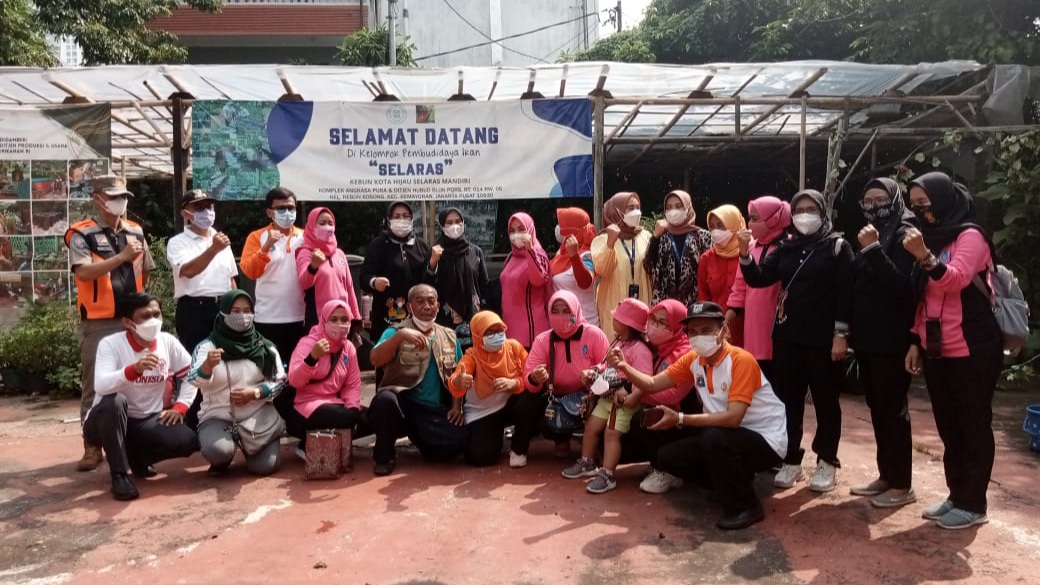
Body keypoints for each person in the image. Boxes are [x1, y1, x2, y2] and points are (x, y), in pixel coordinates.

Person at [608, 301, 788, 530]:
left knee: (714, 436)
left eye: (706, 330)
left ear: (724, 330)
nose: (698, 337)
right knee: (667, 456)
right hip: (725, 433)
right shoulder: (694, 359)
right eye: (692, 332)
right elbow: (652, 384)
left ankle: (746, 506)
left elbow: (733, 418)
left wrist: (680, 419)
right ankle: (725, 483)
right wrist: (624, 366)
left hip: (766, 440)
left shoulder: (740, 360)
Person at [902, 172, 1002, 530]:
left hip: (974, 347)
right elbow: (923, 297)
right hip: (936, 348)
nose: (919, 210)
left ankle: (973, 504)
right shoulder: (930, 237)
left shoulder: (970, 236)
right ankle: (957, 495)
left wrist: (925, 256)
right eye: (914, 204)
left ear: (943, 199)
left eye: (924, 202)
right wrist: (916, 341)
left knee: (973, 424)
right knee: (948, 425)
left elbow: (956, 279)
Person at [738, 189, 852, 493]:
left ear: (822, 212)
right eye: (799, 209)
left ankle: (827, 460)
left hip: (823, 340)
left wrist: (841, 335)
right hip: (788, 337)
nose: (804, 215)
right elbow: (759, 278)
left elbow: (846, 293)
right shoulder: (786, 247)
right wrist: (745, 254)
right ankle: (791, 458)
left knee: (826, 401)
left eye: (810, 209)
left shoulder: (837, 247)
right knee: (788, 401)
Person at [66, 175, 154, 471]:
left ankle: (132, 443)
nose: (121, 201)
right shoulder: (82, 234)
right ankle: (92, 446)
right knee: (96, 384)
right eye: (115, 196)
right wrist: (121, 257)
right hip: (99, 322)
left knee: (137, 380)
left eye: (124, 196)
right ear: (98, 199)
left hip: (133, 320)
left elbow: (147, 269)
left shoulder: (135, 231)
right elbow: (84, 273)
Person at [83, 293, 199, 501]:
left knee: (187, 441)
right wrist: (133, 370)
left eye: (156, 314)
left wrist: (180, 406)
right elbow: (101, 384)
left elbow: (192, 375)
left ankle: (137, 459)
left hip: (147, 420)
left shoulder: (167, 342)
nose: (153, 321)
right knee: (115, 402)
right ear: (128, 322)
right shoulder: (110, 344)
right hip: (105, 421)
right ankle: (119, 475)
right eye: (145, 316)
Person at [847, 178, 919, 508]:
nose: (874, 206)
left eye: (880, 199)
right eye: (868, 201)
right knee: (877, 409)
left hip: (893, 339)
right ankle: (886, 475)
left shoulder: (906, 233)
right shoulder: (871, 233)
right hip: (867, 338)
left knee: (893, 411)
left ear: (895, 200)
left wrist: (874, 250)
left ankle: (902, 484)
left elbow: (903, 289)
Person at [368, 284, 468, 475]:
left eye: (431, 302)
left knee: (460, 441)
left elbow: (458, 373)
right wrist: (400, 337)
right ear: (409, 306)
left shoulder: (449, 336)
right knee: (384, 401)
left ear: (438, 306)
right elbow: (375, 359)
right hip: (402, 406)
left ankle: (424, 443)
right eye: (420, 301)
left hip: (431, 412)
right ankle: (384, 456)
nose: (426, 306)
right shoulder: (395, 331)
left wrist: (457, 406)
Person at [188, 290, 286, 476]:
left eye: (247, 311)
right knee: (219, 451)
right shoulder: (207, 346)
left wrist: (256, 393)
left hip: (257, 416)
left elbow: (280, 381)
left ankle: (254, 446)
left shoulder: (265, 347)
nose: (242, 316)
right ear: (223, 313)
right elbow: (192, 379)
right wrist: (207, 366)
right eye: (235, 311)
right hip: (218, 416)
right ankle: (222, 458)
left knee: (265, 467)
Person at [562, 298, 653, 494]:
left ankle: (608, 474)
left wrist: (634, 397)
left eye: (617, 318)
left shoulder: (640, 350)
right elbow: (606, 365)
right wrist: (594, 371)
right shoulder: (618, 341)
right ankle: (587, 462)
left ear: (629, 324)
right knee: (591, 426)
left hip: (623, 401)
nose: (613, 320)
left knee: (611, 434)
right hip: (606, 397)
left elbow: (646, 379)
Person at [167, 189, 239, 430]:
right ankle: (194, 424)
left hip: (223, 308)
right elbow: (187, 271)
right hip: (194, 309)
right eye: (199, 208)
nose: (207, 212)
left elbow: (231, 278)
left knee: (227, 363)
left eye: (209, 207)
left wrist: (238, 308)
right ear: (185, 213)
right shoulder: (178, 242)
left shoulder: (220, 238)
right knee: (197, 364)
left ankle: (225, 419)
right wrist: (213, 250)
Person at [516, 290, 611, 467]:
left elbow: (609, 366)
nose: (561, 316)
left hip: (589, 397)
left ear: (576, 310)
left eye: (566, 311)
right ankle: (523, 448)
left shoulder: (594, 334)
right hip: (555, 399)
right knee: (526, 401)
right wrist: (536, 377)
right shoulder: (543, 340)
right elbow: (529, 377)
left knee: (607, 402)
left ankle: (597, 446)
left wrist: (594, 373)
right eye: (556, 311)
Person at [626, 299, 698, 494]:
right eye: (653, 319)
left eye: (663, 323)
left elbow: (672, 395)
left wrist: (636, 393)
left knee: (643, 419)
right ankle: (658, 463)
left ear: (678, 328)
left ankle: (668, 471)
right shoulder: (655, 347)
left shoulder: (685, 352)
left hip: (687, 420)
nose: (655, 326)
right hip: (666, 412)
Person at [288, 299, 370, 454]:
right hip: (307, 404)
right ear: (324, 320)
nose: (340, 324)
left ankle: (328, 441)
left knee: (371, 417)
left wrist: (353, 408)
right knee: (346, 418)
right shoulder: (309, 343)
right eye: (334, 319)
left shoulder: (348, 347)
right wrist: (312, 358)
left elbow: (353, 384)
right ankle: (307, 444)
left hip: (336, 402)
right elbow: (294, 380)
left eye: (344, 320)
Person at [447, 311, 528, 467]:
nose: (496, 335)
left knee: (530, 401)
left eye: (499, 330)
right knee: (480, 457)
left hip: (509, 405)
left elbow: (529, 376)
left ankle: (518, 446)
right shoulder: (471, 356)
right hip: (482, 412)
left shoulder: (513, 347)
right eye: (489, 333)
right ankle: (494, 436)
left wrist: (514, 383)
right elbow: (456, 378)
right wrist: (459, 381)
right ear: (477, 336)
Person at [726, 196, 791, 382]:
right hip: (754, 329)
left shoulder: (790, 246)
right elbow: (740, 287)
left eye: (755, 219)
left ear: (774, 219)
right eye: (750, 218)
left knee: (781, 384)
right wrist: (726, 319)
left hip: (781, 327)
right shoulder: (749, 247)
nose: (749, 224)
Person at [239, 186, 306, 363]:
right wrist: (266, 247)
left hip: (300, 317)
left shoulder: (305, 237)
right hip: (268, 319)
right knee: (270, 371)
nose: (287, 213)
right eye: (281, 208)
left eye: (291, 208)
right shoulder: (257, 237)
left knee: (298, 371)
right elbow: (250, 272)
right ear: (269, 212)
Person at [360, 201, 432, 351]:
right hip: (387, 320)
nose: (401, 220)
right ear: (389, 220)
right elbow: (364, 277)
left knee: (417, 357)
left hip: (418, 319)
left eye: (405, 216)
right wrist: (374, 282)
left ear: (412, 219)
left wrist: (433, 266)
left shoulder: (421, 247)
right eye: (397, 216)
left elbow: (430, 280)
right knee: (387, 360)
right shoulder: (378, 245)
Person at [592, 192, 652, 340]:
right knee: (615, 347)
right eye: (630, 208)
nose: (636, 212)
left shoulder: (646, 236)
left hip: (641, 302)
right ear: (616, 211)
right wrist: (610, 242)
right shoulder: (602, 239)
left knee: (640, 347)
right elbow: (602, 270)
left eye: (637, 207)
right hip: (614, 304)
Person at [428, 208, 490, 351]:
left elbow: (484, 285)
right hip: (445, 321)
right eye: (449, 222)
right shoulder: (435, 251)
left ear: (463, 223)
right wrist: (432, 262)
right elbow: (427, 284)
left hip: (473, 318)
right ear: (442, 226)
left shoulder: (475, 251)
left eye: (457, 221)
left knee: (472, 358)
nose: (454, 226)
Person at [296, 207, 361, 333]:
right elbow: (304, 283)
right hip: (319, 320)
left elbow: (349, 287)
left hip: (343, 319)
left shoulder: (339, 254)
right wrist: (313, 266)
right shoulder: (306, 252)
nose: (327, 227)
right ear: (311, 227)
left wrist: (356, 318)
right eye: (322, 223)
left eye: (330, 223)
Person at [644, 190, 713, 307]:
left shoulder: (703, 237)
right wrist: (655, 237)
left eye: (678, 206)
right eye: (669, 207)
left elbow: (709, 275)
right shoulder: (662, 237)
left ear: (688, 208)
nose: (673, 211)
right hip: (665, 306)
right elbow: (648, 266)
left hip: (694, 307)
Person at [499, 212, 551, 348]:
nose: (516, 235)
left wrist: (530, 250)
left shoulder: (539, 255)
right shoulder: (511, 257)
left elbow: (539, 279)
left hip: (531, 334)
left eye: (521, 229)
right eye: (512, 231)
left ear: (530, 230)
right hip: (510, 330)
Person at [698, 204, 747, 347]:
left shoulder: (748, 254)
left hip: (748, 328)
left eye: (721, 226)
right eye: (712, 226)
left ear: (734, 225)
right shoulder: (706, 259)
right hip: (717, 330)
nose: (715, 231)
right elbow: (703, 297)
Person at [550, 207, 599, 326]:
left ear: (573, 231)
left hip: (584, 324)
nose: (558, 229)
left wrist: (574, 256)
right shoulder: (561, 253)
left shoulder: (587, 254)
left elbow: (586, 282)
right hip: (563, 323)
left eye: (562, 226)